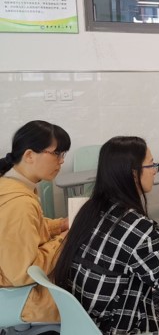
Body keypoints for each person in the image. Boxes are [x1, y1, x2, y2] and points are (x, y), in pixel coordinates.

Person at [53, 136, 159, 335]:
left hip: (85, 320)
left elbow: (117, 248)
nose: (155, 171)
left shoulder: (90, 209)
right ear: (133, 173)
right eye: (151, 165)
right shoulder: (138, 226)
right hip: (116, 326)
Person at [0, 120, 70, 323]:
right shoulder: (18, 203)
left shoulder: (10, 184)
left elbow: (27, 230)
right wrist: (63, 240)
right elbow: (23, 274)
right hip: (19, 297)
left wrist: (60, 225)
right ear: (29, 155)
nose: (61, 161)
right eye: (57, 153)